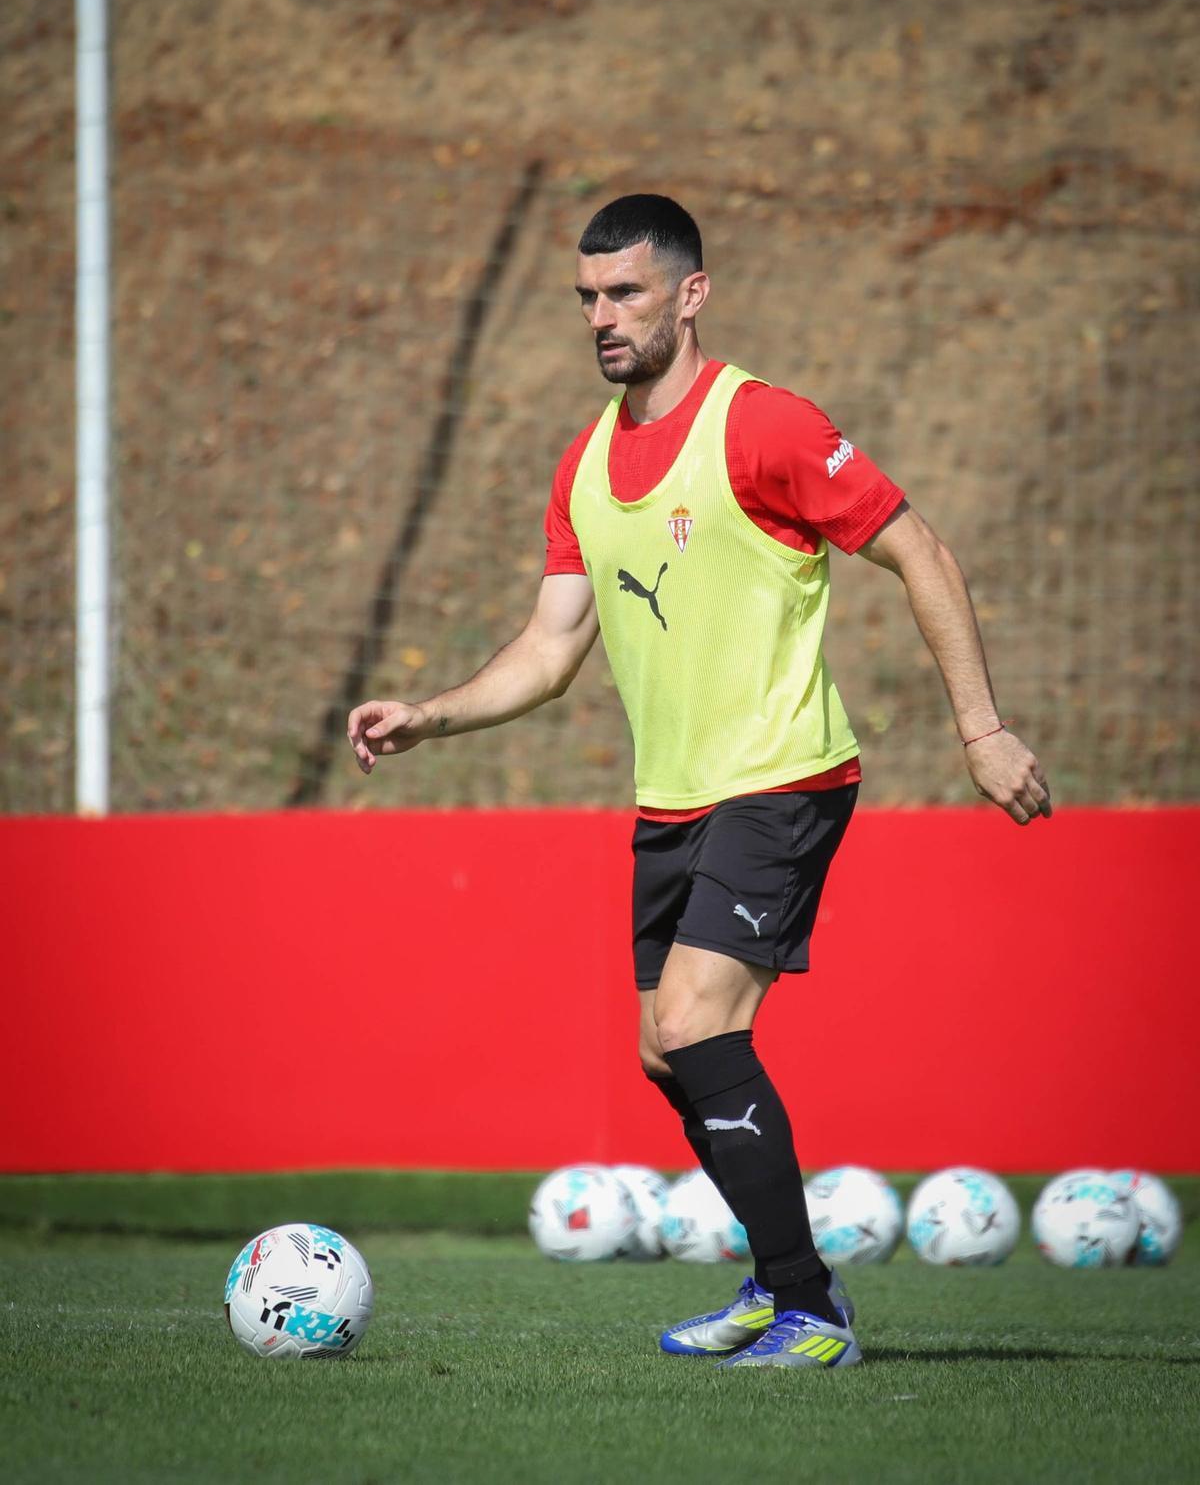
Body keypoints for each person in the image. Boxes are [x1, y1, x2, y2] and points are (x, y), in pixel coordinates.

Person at [347, 193, 1052, 1371]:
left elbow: (918, 548)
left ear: (690, 293)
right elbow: (552, 647)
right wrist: (432, 714)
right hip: (673, 799)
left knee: (694, 1022)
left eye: (624, 293)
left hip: (781, 779)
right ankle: (783, 1280)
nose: (601, 318)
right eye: (586, 297)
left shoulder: (763, 427)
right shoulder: (584, 464)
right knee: (665, 1052)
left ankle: (814, 1315)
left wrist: (980, 729)